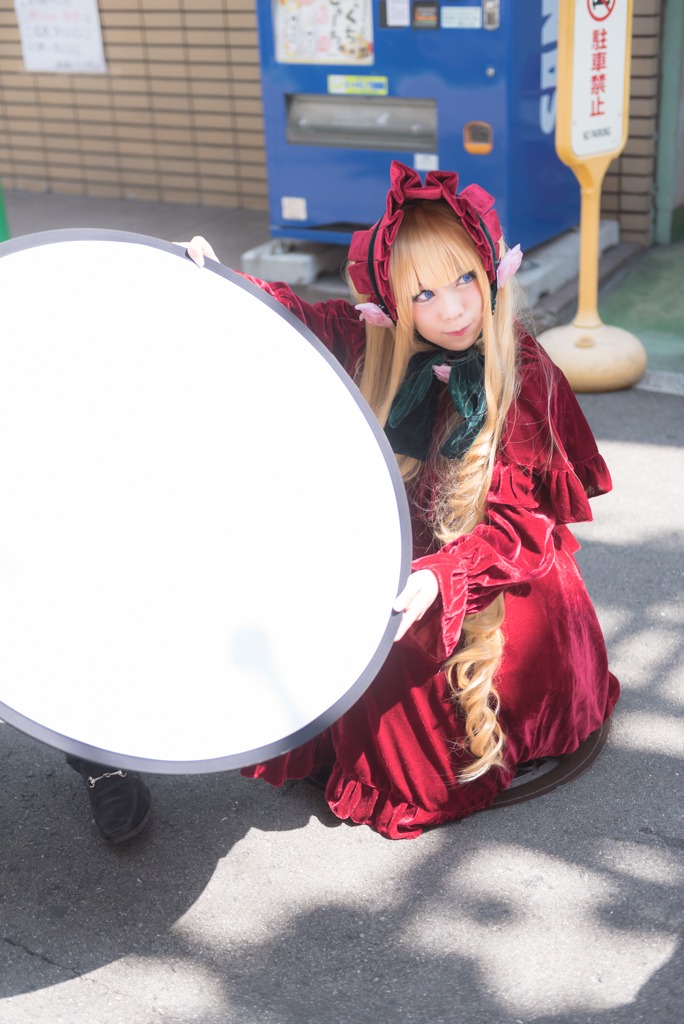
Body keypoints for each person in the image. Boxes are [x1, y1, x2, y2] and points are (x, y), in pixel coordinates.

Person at [189, 159, 619, 840]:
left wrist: (444, 578)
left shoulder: (529, 376)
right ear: (391, 302)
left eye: (462, 282)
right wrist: (221, 281)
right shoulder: (378, 340)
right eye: (421, 295)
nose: (450, 310)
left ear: (489, 274)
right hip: (410, 557)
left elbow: (523, 525)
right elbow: (304, 317)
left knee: (403, 687)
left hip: (497, 579)